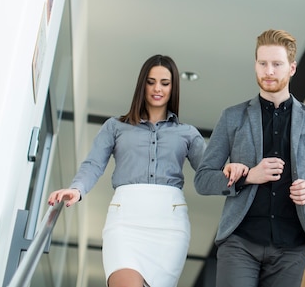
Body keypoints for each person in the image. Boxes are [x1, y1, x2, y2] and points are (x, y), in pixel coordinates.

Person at [194, 29, 305, 287]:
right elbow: (203, 179)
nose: (269, 71)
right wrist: (248, 176)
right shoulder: (232, 117)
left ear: (292, 68)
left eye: (277, 64)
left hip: (292, 247)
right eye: (263, 63)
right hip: (239, 241)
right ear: (255, 65)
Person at [47, 54, 205, 287]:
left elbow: (210, 173)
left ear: (174, 87)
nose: (157, 89)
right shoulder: (115, 127)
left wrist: (241, 172)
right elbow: (93, 164)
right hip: (125, 222)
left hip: (169, 226)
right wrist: (76, 189)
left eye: (165, 83)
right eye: (150, 82)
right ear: (142, 85)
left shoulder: (188, 133)